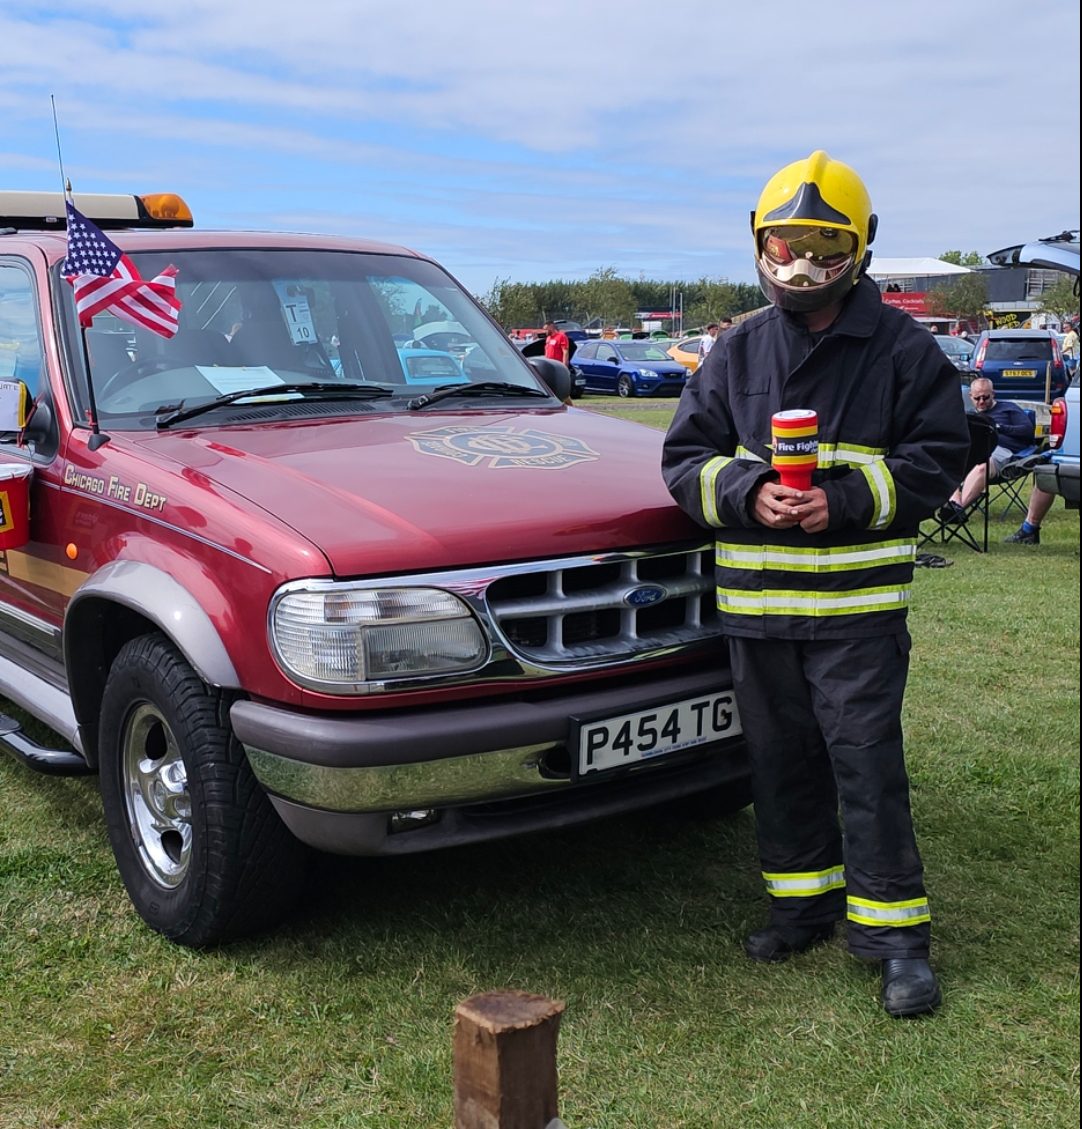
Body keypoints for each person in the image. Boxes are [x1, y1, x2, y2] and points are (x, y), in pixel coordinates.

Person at [662, 150, 968, 1018]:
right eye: (785, 245)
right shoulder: (737, 349)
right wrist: (743, 490)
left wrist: (837, 503)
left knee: (865, 765)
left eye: (824, 248)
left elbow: (939, 460)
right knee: (778, 762)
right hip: (758, 613)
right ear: (758, 246)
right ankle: (801, 905)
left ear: (860, 249)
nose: (801, 266)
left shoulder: (904, 351)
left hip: (854, 616)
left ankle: (896, 940)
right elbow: (684, 458)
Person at [938, 377, 1036, 522]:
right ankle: (955, 507)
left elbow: (1027, 430)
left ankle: (957, 510)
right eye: (977, 398)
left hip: (1001, 449)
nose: (981, 401)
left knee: (982, 466)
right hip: (972, 450)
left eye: (986, 397)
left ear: (993, 394)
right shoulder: (969, 416)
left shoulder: (1008, 408)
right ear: (970, 397)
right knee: (947, 462)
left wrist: (999, 428)